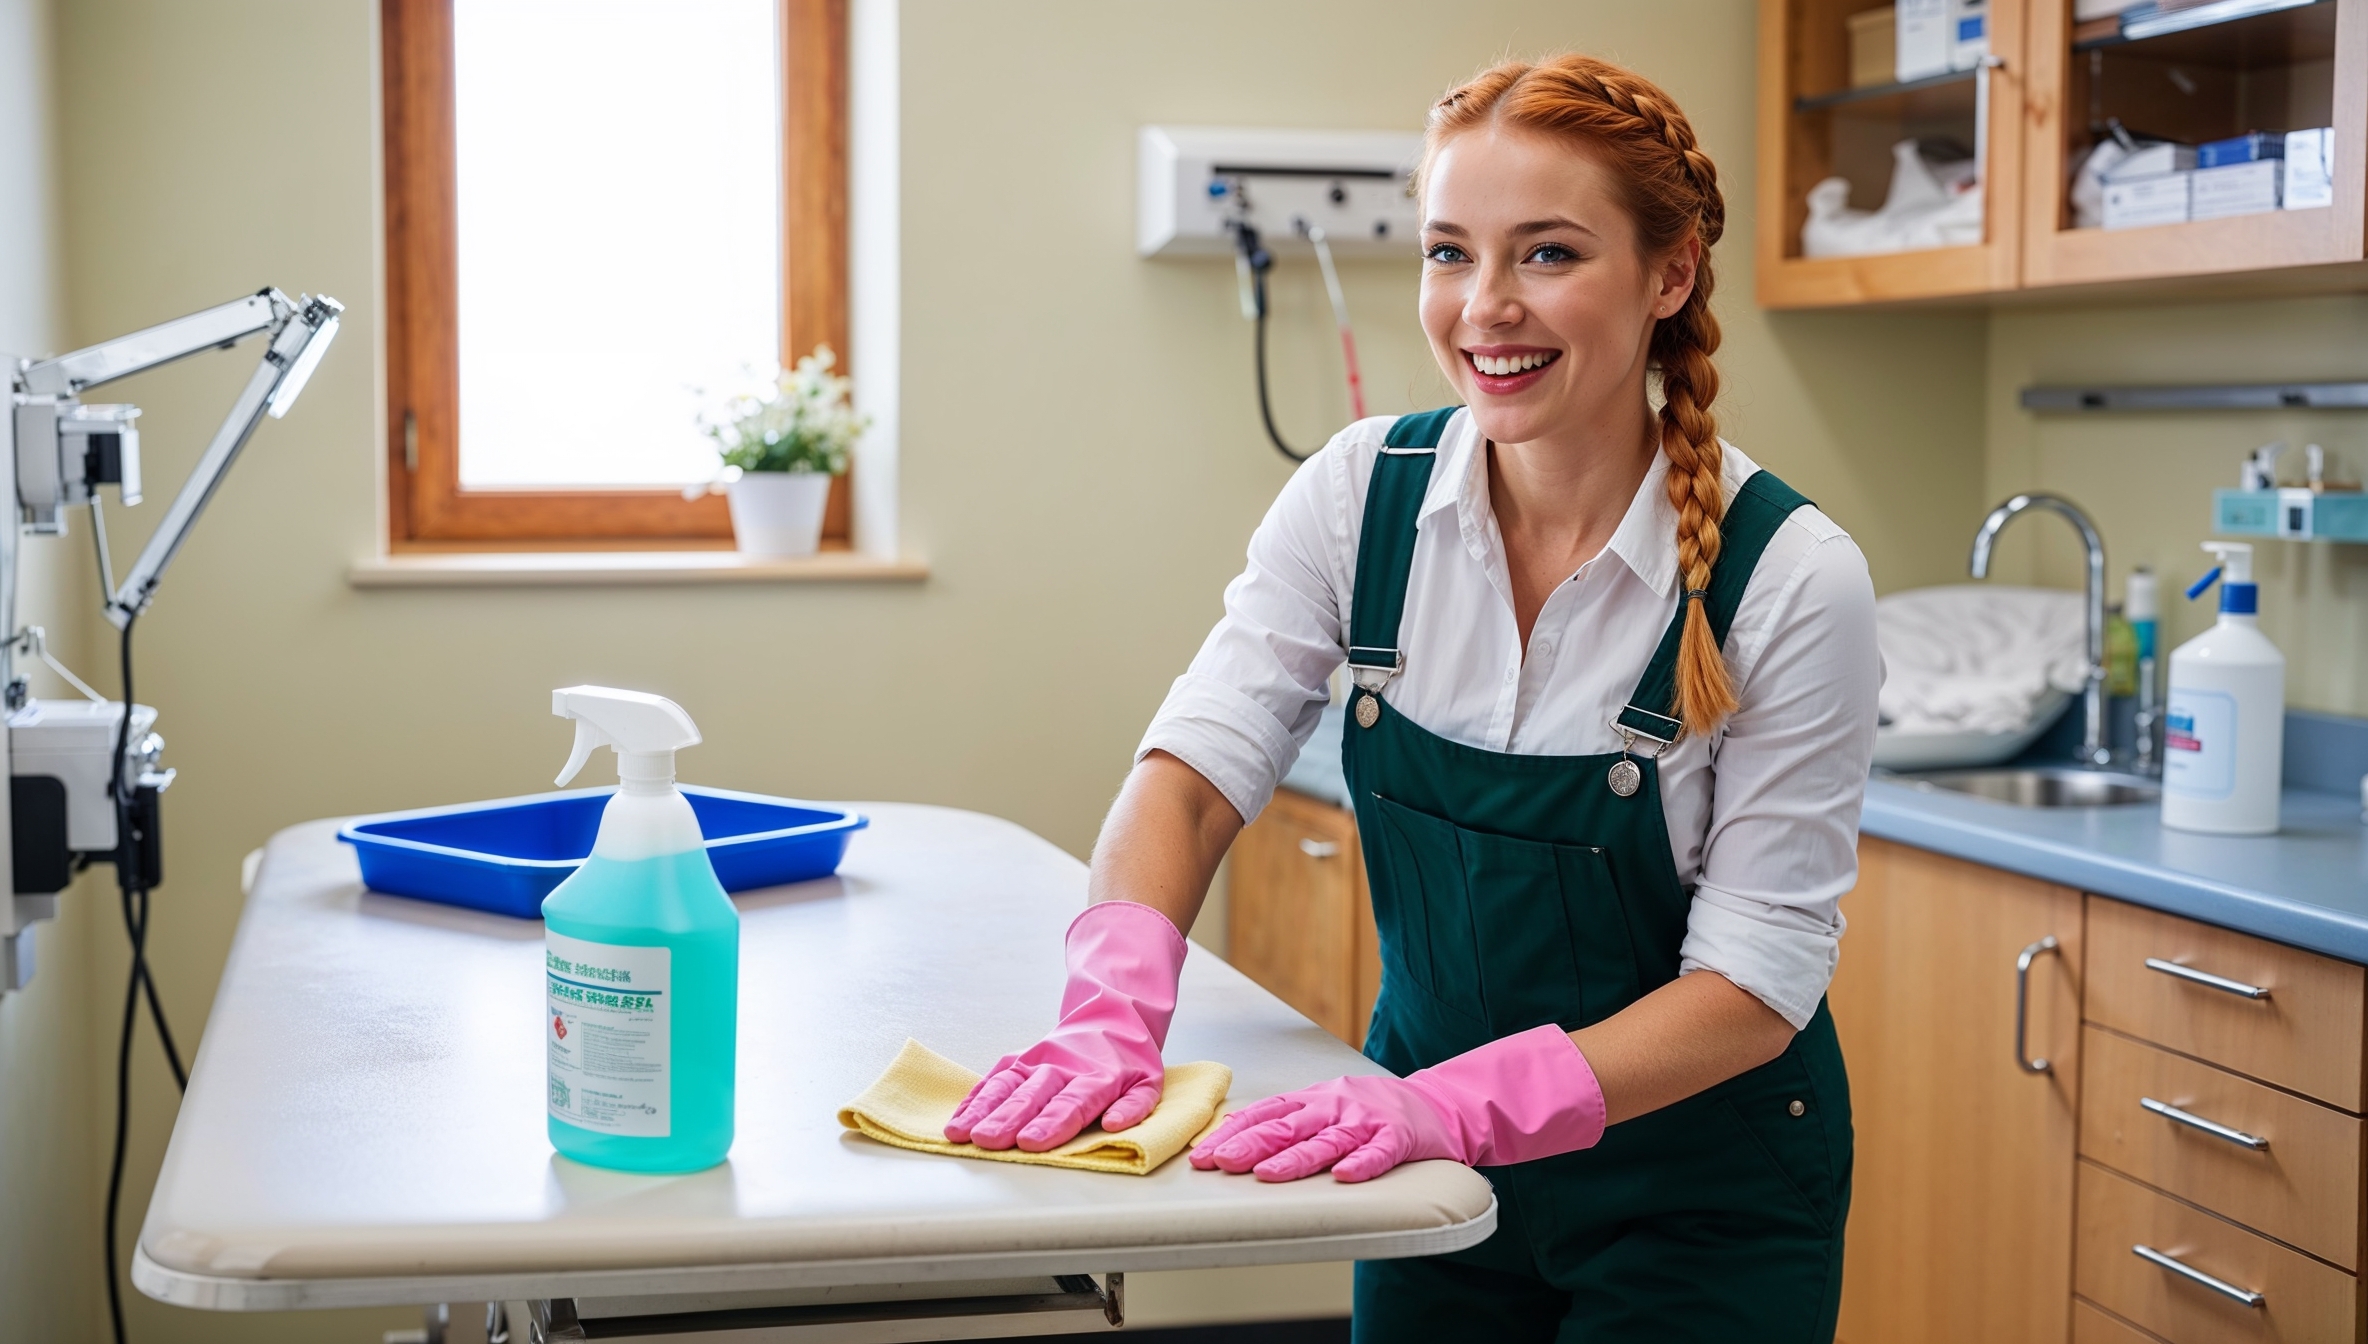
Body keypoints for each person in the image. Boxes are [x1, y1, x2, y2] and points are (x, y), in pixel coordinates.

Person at [948, 53, 1880, 1341]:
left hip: (1698, 1197)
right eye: (1450, 252)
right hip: (1436, 1175)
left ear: (1669, 276)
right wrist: (1113, 1014)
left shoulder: (1790, 578)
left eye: (1548, 254)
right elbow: (1197, 768)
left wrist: (1448, 1106)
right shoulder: (1358, 497)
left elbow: (1756, 986)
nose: (1484, 308)